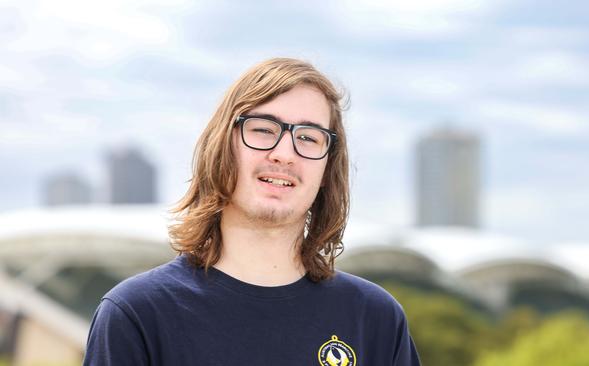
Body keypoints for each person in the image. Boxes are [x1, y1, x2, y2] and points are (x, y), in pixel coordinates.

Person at [83, 58, 421, 365]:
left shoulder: (374, 318)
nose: (285, 153)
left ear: (326, 170)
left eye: (308, 137)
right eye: (263, 129)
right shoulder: (137, 314)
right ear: (222, 149)